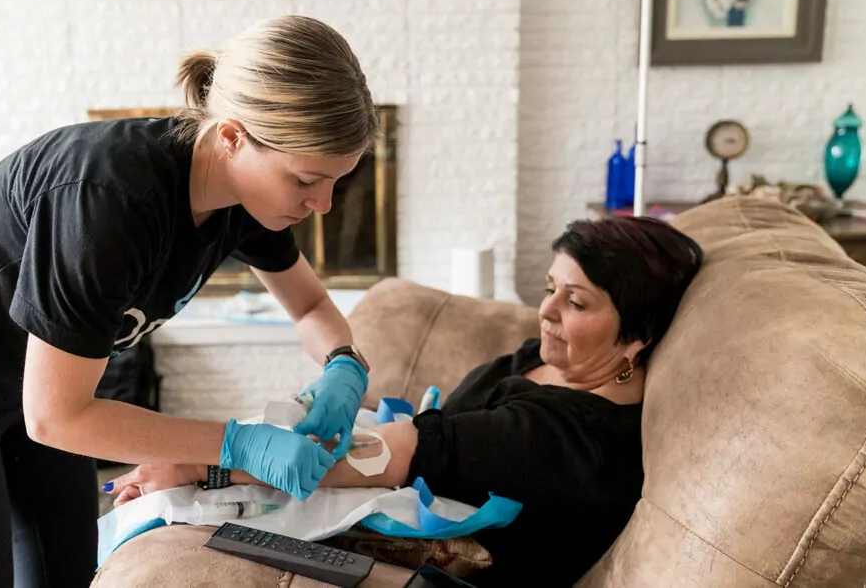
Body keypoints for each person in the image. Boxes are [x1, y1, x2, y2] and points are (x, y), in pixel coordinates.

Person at [0, 15, 379, 588]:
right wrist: (239, 446)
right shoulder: (109, 201)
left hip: (35, 382)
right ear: (233, 136)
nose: (325, 205)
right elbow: (57, 416)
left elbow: (310, 309)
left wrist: (343, 363)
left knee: (67, 573)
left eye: (337, 181)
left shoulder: (245, 198)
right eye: (308, 180)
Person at [107, 216, 704, 587]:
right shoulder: (557, 361)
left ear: (638, 334)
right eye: (550, 289)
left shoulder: (568, 439)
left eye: (576, 302)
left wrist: (201, 466)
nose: (546, 311)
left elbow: (379, 455)